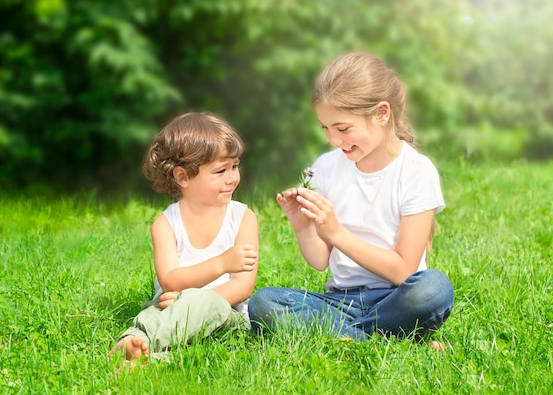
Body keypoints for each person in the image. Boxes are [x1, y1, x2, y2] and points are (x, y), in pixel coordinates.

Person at [248, 51, 454, 343]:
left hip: (397, 296)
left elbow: (403, 270)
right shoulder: (326, 168)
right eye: (326, 128)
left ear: (382, 114)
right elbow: (320, 261)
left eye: (343, 128)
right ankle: (384, 337)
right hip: (341, 302)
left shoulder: (416, 171)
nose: (333, 139)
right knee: (264, 303)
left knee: (434, 289)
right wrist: (303, 226)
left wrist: (337, 233)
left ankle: (346, 336)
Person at [110, 112, 259, 362]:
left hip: (223, 310)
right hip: (170, 307)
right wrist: (219, 265)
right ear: (182, 176)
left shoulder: (242, 217)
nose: (232, 177)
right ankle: (137, 349)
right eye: (221, 170)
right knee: (154, 313)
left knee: (202, 314)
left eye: (235, 166)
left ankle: (144, 344)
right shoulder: (166, 224)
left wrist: (191, 301)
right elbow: (170, 281)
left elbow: (242, 286)